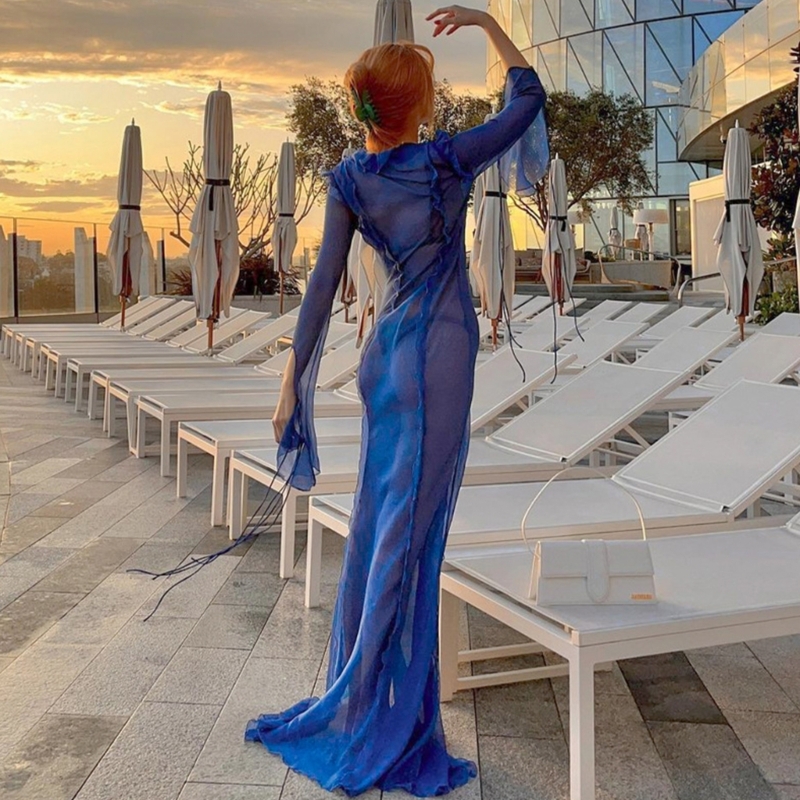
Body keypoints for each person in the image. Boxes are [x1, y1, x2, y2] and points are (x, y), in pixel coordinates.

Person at [245, 5, 547, 796]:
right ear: (420, 106)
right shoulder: (446, 162)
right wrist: (487, 23)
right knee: (410, 537)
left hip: (384, 359)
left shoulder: (349, 179)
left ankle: (367, 694)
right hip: (439, 357)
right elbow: (527, 97)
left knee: (383, 524)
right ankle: (379, 712)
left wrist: (291, 379)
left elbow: (320, 288)